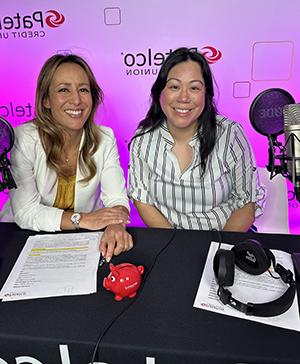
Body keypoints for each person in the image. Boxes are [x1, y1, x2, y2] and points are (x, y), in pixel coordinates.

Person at [3, 54, 133, 261]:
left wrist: (115, 224)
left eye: (83, 90)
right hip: (25, 236)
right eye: (64, 90)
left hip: (83, 241)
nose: (76, 100)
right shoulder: (23, 138)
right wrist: (83, 219)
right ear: (46, 100)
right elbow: (26, 211)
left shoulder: (105, 138)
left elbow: (116, 197)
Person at [128, 47, 265, 232]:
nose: (184, 97)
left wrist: (219, 252)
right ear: (160, 92)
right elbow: (141, 199)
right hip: (168, 239)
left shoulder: (231, 134)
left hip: (225, 237)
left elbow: (247, 202)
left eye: (194, 88)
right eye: (174, 87)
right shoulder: (143, 140)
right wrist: (174, 245)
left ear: (206, 94)